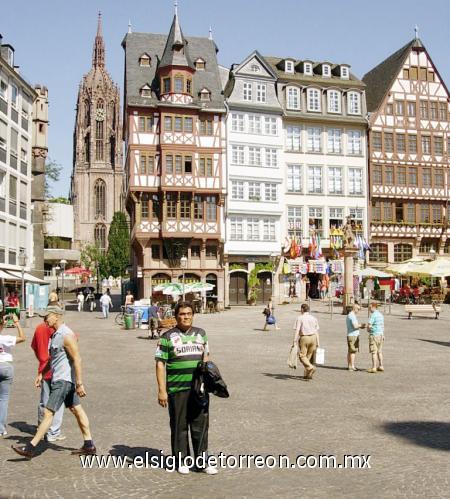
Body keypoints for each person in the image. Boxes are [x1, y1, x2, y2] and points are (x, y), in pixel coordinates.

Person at [12, 305, 96, 459]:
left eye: (47, 317)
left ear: (56, 316)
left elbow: (77, 358)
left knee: (49, 412)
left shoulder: (66, 335)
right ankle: (89, 444)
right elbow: (53, 360)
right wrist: (41, 373)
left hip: (63, 381)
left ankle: (30, 448)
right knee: (77, 410)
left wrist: (79, 383)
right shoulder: (55, 335)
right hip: (62, 379)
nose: (44, 320)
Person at [155, 301, 217, 475]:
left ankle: (202, 461)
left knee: (200, 425)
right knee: (179, 425)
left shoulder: (201, 334)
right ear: (176, 316)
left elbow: (206, 357)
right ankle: (182, 460)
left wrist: (206, 380)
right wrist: (161, 390)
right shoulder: (166, 337)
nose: (186, 317)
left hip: (198, 389)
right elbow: (160, 364)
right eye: (182, 314)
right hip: (176, 388)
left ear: (193, 315)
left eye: (189, 313)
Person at [31, 319, 65, 442]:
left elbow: (34, 346)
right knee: (58, 403)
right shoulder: (60, 330)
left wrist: (41, 360)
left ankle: (41, 429)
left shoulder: (39, 328)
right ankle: (53, 432)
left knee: (44, 401)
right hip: (57, 369)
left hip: (44, 367)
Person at [0, 314, 25, 436]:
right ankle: (1, 429)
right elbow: (22, 337)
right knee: (3, 399)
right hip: (5, 366)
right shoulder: (5, 338)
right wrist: (17, 322)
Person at [293, 303, 320, 380]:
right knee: (309, 357)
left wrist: (294, 340)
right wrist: (318, 342)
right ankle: (307, 375)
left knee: (302, 356)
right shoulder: (314, 318)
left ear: (302, 309)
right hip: (313, 337)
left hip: (304, 338)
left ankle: (310, 367)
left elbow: (297, 330)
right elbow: (316, 331)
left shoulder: (300, 318)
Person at [346, 303, 366, 371]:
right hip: (353, 335)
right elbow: (355, 326)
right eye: (358, 309)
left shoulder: (350, 315)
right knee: (353, 351)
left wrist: (360, 326)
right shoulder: (352, 316)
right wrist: (362, 325)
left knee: (350, 351)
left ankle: (349, 365)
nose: (358, 311)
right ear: (354, 308)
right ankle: (352, 366)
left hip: (351, 334)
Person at [367, 302, 385, 373]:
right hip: (380, 335)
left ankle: (374, 367)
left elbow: (369, 325)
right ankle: (381, 365)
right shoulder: (381, 315)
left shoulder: (373, 315)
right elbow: (382, 325)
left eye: (370, 307)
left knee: (374, 352)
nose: (369, 309)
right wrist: (383, 334)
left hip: (374, 335)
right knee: (379, 351)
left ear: (374, 307)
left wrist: (368, 329)